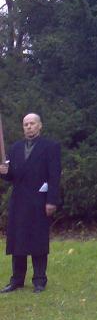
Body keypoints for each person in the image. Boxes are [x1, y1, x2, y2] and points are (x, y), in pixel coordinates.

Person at [0, 113, 61, 293]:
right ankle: (17, 280)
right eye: (26, 124)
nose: (29, 127)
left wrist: (51, 201)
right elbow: (11, 176)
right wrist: (3, 171)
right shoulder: (16, 148)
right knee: (18, 241)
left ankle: (39, 280)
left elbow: (54, 175)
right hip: (19, 201)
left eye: (32, 123)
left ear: (40, 126)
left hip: (39, 201)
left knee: (38, 240)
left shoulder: (51, 147)